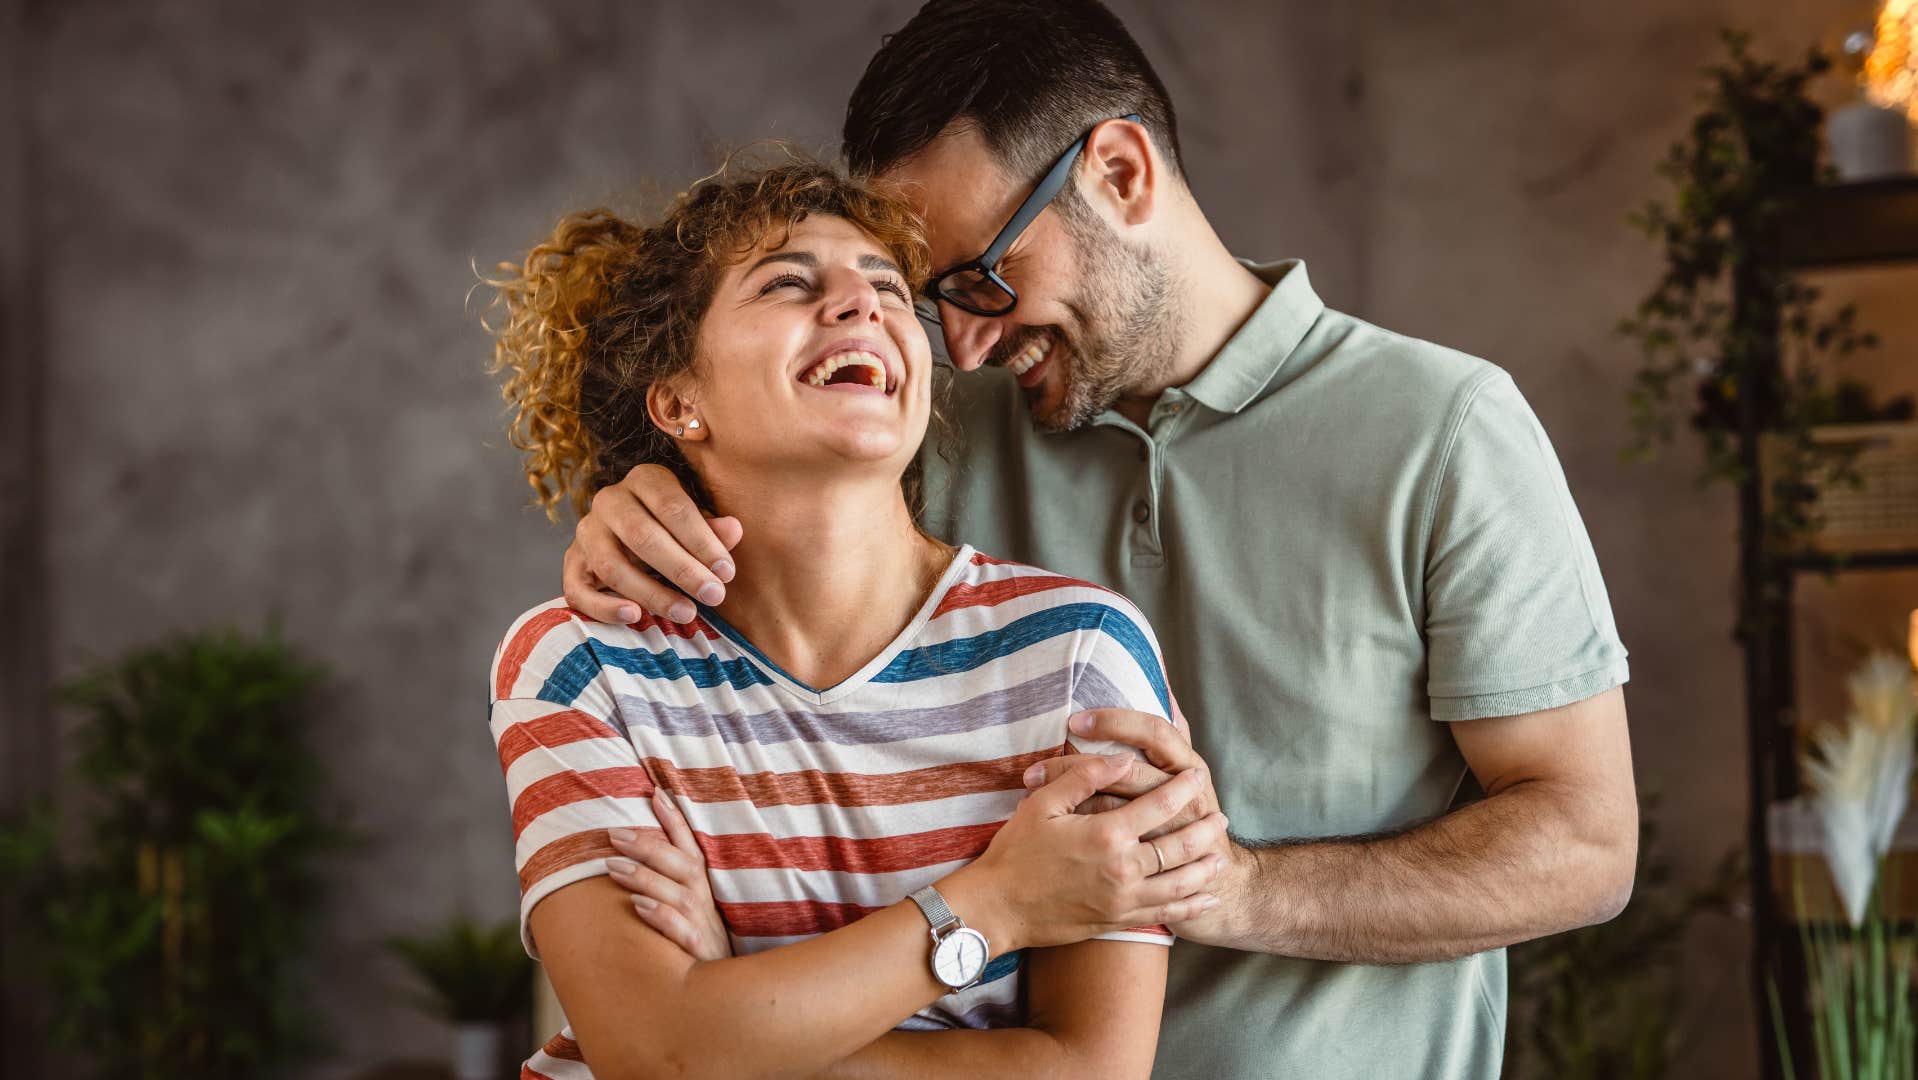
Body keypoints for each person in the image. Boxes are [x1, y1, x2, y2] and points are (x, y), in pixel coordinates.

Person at [558, 2, 1640, 1077]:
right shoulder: (933, 434)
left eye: (984, 279)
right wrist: (644, 504)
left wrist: (1225, 886)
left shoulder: (1442, 430)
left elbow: (1587, 845)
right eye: (937, 302)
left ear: (1120, 175)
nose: (970, 344)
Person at [484, 160, 1225, 1080]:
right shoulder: (579, 663)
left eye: (886, 287)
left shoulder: (1077, 655)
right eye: (790, 283)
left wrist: (733, 1014)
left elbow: (1089, 1071)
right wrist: (994, 902)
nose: (864, 305)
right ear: (680, 401)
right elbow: (656, 1052)